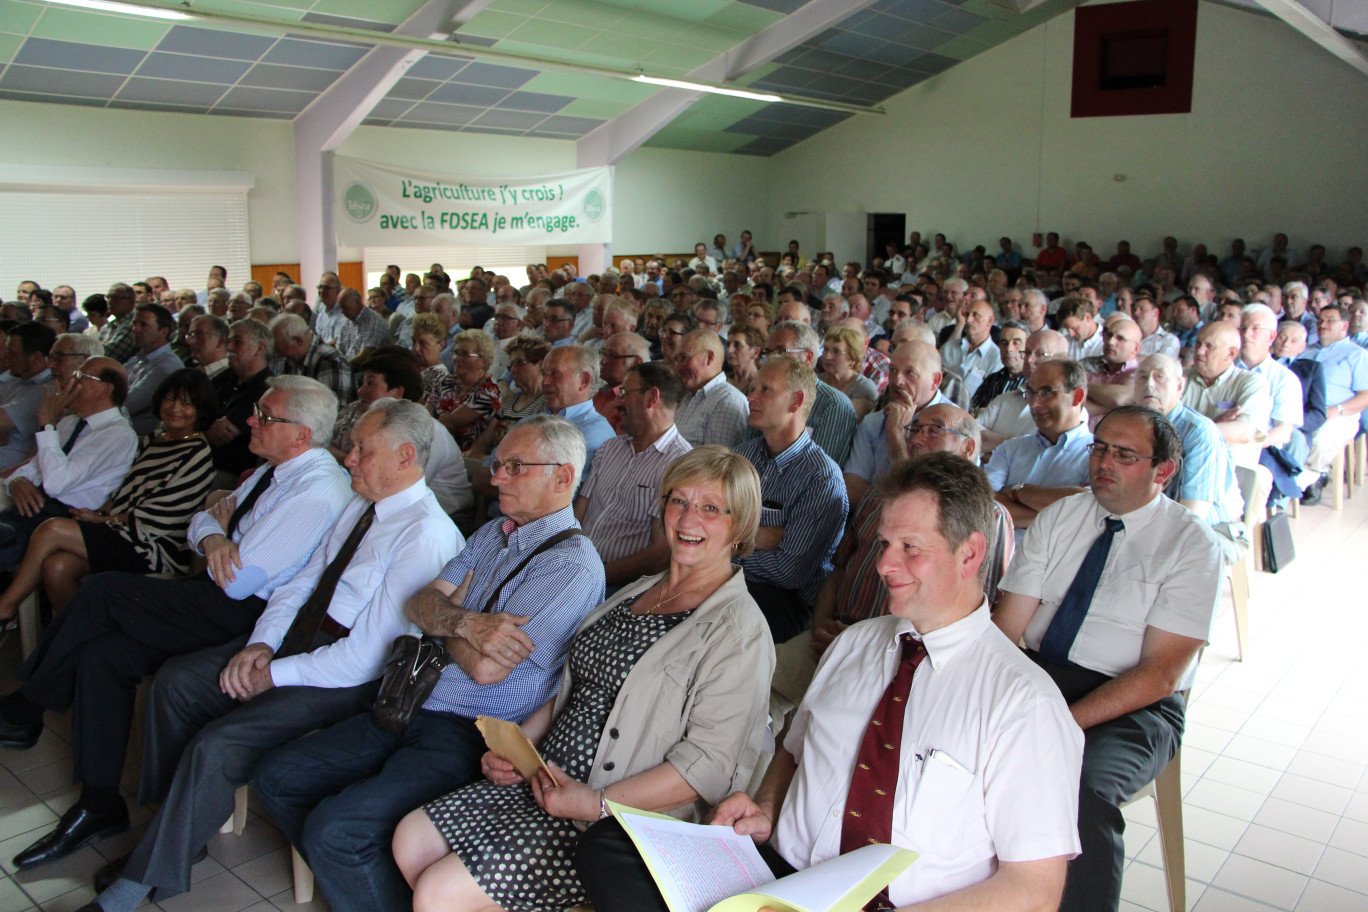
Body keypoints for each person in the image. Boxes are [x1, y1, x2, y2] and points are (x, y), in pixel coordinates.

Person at [577, 451, 1081, 912]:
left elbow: (1033, 889)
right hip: (781, 880)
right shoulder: (855, 645)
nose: (884, 564)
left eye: (910, 547)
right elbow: (792, 751)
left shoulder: (1023, 701)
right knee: (610, 844)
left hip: (894, 907)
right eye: (883, 543)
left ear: (970, 554)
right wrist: (768, 808)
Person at [84, 399, 460, 912]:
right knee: (178, 683)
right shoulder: (362, 501)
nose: (347, 458)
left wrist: (274, 674)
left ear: (405, 456)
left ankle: (140, 880)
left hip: (348, 676)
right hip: (299, 639)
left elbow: (368, 656)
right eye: (351, 446)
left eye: (361, 449)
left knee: (220, 742)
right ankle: (177, 832)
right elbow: (302, 581)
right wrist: (263, 643)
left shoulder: (426, 533)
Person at [392, 446, 774, 912]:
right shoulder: (639, 590)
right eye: (679, 500)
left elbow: (706, 768)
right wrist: (515, 749)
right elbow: (575, 689)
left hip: (616, 819)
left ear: (740, 527)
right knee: (409, 840)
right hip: (548, 780)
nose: (688, 517)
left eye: (711, 508)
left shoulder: (740, 630)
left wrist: (594, 803)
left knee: (437, 894)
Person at [251, 416, 604, 912]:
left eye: (514, 467)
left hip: (470, 731)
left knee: (335, 830)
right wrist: (466, 625)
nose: (495, 477)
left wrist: (446, 619)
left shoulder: (570, 566)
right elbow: (419, 603)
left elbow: (486, 671)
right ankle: (375, 884)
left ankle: (368, 876)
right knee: (276, 777)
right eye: (499, 464)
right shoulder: (493, 532)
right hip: (413, 699)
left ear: (563, 478)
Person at [0, 376, 352, 871]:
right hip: (211, 595)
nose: (251, 420)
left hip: (243, 616)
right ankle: (98, 803)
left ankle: (27, 705)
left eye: (266, 416)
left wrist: (220, 529)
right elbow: (198, 522)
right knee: (103, 656)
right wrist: (216, 536)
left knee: (101, 591)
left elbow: (238, 581)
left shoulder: (317, 491)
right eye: (257, 411)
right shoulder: (273, 471)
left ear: (302, 435)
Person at [994, 405, 1223, 912]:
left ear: (1162, 471)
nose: (1104, 462)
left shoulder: (1192, 545)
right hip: (1040, 677)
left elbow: (1161, 675)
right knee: (944, 741)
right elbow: (1006, 628)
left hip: (1133, 703)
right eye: (1100, 448)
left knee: (1082, 789)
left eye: (1125, 455)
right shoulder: (1062, 517)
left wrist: (1063, 724)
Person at [771, 404, 1016, 726]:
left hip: (907, 660)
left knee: (831, 732)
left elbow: (984, 612)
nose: (916, 439)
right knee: (753, 686)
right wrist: (821, 626)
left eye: (933, 430)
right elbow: (840, 568)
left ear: (968, 447)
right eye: (914, 429)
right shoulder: (880, 499)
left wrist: (876, 645)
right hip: (832, 637)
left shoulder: (991, 519)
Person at [0, 370, 218, 625]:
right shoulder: (150, 442)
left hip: (153, 543)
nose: (175, 408)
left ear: (201, 410)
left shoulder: (197, 453)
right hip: (119, 529)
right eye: (170, 399)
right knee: (57, 566)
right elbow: (120, 491)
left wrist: (105, 519)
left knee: (52, 529)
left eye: (186, 403)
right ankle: (74, 639)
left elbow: (164, 516)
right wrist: (100, 514)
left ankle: (5, 607)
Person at [735, 356, 846, 641]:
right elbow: (715, 521)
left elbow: (789, 572)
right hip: (732, 583)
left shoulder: (821, 478)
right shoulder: (744, 456)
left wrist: (727, 549)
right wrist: (760, 537)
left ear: (796, 401)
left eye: (765, 389)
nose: (751, 397)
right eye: (752, 388)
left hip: (783, 603)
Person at [0, 357, 138, 570]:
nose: (71, 381)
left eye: (81, 377)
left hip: (62, 516)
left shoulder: (118, 435)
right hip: (28, 506)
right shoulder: (71, 422)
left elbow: (56, 483)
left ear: (105, 389)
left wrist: (47, 425)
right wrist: (17, 480)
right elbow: (34, 466)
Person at [575, 362, 692, 588]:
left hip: (621, 587)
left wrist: (593, 580)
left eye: (625, 393)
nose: (618, 402)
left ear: (651, 398)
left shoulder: (680, 465)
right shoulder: (610, 448)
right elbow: (579, 514)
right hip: (576, 567)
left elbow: (659, 555)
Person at [1133, 355, 1249, 562]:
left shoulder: (1199, 432)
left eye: (1159, 377)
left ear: (1179, 386)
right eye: (1142, 377)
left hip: (1212, 530)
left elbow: (1192, 516)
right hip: (1154, 519)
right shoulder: (1132, 425)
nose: (1149, 384)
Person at [330, 350, 472, 516]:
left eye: (371, 384)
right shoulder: (380, 425)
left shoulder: (426, 431)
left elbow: (397, 487)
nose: (361, 392)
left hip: (445, 516)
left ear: (397, 393)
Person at [986, 359, 1093, 534]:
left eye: (1047, 393)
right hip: (1002, 555)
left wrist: (1017, 491)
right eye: (1031, 393)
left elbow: (1086, 508)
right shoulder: (1011, 449)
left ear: (1077, 397)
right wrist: (1049, 518)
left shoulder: (1097, 453)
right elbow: (984, 503)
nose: (1034, 404)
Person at [843, 341, 949, 505]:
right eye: (893, 370)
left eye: (910, 373)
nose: (897, 380)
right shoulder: (873, 422)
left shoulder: (952, 426)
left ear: (935, 380)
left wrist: (895, 434)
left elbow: (925, 504)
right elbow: (852, 488)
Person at [1182, 321, 1272, 468]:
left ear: (1231, 353)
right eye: (1198, 344)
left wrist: (1183, 432)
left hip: (1226, 470)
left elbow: (1244, 432)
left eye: (1209, 346)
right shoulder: (1180, 377)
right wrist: (1216, 423)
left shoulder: (1251, 382)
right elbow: (1158, 424)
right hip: (1179, 465)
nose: (1199, 352)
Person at [206, 318, 274, 482]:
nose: (228, 348)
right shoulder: (224, 378)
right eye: (229, 342)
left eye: (237, 342)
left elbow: (219, 434)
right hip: (200, 458)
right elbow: (194, 411)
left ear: (259, 348)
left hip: (229, 470)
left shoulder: (268, 390)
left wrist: (200, 425)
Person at [467, 334, 550, 458]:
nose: (513, 370)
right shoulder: (509, 401)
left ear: (540, 364)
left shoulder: (546, 404)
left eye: (519, 363)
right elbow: (483, 442)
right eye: (511, 365)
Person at [673, 330, 750, 448]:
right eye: (676, 360)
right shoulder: (685, 397)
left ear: (709, 357)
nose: (678, 367)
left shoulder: (727, 401)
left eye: (684, 358)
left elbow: (716, 464)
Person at [122, 304, 185, 435]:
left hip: (140, 438)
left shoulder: (166, 367)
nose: (135, 329)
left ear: (164, 331)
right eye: (134, 324)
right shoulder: (137, 359)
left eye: (143, 325)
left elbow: (126, 405)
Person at [0, 322, 56, 469]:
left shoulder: (47, 389)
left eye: (12, 353)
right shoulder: (18, 381)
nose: (5, 357)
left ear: (36, 357)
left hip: (11, 473)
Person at [435, 329, 501, 451]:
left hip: (464, 455)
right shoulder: (449, 381)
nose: (457, 358)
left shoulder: (489, 391)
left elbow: (450, 423)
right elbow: (427, 408)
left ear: (483, 361)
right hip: (437, 445)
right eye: (456, 353)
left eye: (464, 354)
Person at [271, 313, 352, 405]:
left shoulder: (330, 361)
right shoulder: (293, 359)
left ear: (298, 341)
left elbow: (332, 412)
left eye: (280, 349)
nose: (278, 355)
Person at [821, 325, 878, 419]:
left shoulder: (863, 387)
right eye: (826, 349)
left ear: (852, 358)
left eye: (836, 351)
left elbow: (843, 421)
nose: (827, 357)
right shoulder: (815, 379)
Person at [725, 324, 765, 395]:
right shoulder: (721, 380)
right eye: (728, 345)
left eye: (737, 345)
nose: (729, 350)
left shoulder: (761, 385)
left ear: (755, 352)